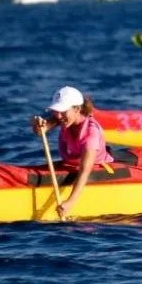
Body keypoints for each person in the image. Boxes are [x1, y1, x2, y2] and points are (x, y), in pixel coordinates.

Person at [30, 86, 115, 217]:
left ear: (77, 109)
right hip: (71, 164)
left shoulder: (91, 133)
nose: (58, 115)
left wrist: (70, 201)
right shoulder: (63, 118)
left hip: (94, 167)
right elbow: (42, 129)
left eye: (63, 111)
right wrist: (37, 125)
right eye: (56, 111)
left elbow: (85, 171)